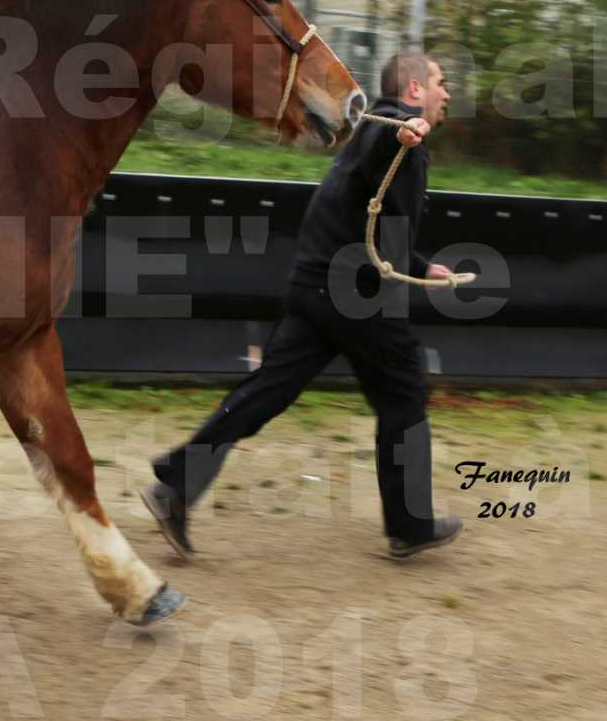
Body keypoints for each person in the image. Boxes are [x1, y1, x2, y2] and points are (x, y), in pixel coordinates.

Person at [141, 54, 463, 560]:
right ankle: (410, 525)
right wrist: (406, 130)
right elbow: (390, 135)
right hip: (357, 298)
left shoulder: (378, 137)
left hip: (317, 286)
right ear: (415, 90)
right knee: (404, 395)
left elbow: (376, 221)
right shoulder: (393, 130)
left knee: (267, 392)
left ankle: (177, 485)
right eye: (442, 84)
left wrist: (421, 267)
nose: (448, 93)